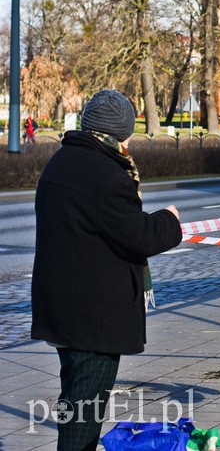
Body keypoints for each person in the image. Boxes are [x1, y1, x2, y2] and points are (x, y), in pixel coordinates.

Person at [31, 89, 182, 450]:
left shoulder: (62, 161)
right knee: (85, 412)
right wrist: (170, 220)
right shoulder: (108, 174)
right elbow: (137, 236)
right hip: (91, 317)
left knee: (75, 399)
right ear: (122, 133)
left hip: (62, 308)